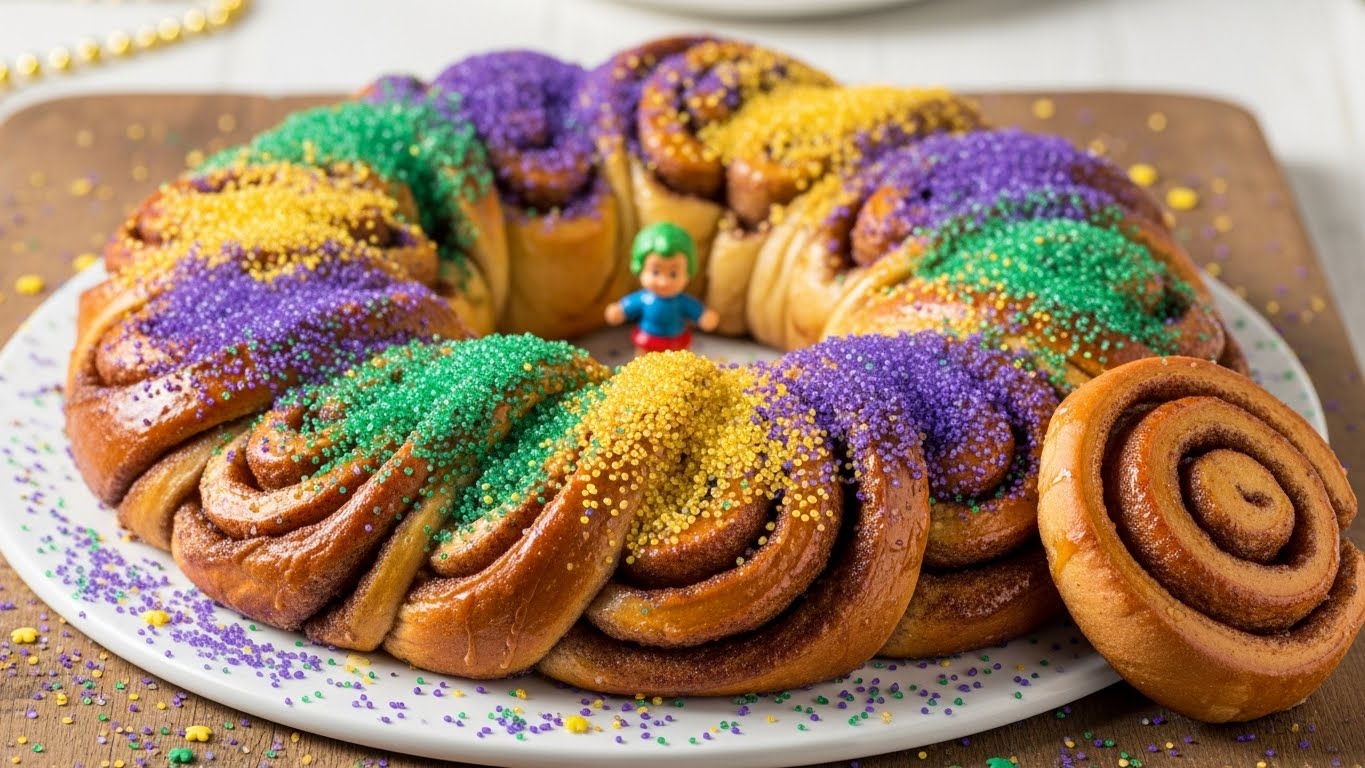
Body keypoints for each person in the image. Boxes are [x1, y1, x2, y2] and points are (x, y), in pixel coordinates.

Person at [604, 222, 719, 354]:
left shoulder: (681, 301)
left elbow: (695, 310)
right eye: (655, 272)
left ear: (687, 273)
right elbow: (628, 306)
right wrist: (620, 310)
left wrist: (704, 316)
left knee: (679, 364)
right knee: (642, 362)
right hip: (648, 339)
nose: (664, 282)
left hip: (676, 340)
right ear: (641, 269)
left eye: (673, 274)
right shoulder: (644, 298)